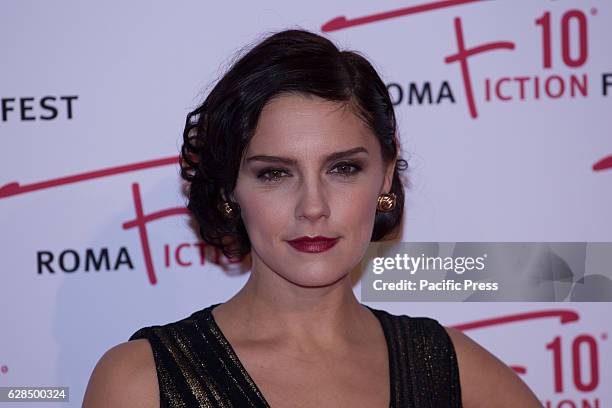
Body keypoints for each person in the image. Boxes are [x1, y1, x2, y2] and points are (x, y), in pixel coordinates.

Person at [83, 28, 542, 407]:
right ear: (229, 187)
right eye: (275, 173)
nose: (313, 206)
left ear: (385, 174)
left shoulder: (453, 372)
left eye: (343, 168)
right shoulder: (141, 383)